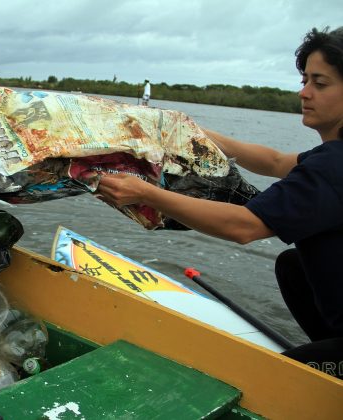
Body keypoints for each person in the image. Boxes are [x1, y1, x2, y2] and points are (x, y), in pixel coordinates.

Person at [97, 27, 343, 378]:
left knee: (270, 383)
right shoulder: (329, 158)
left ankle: (328, 372)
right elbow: (274, 162)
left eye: (320, 83)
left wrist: (146, 193)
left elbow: (244, 226)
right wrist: (199, 134)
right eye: (304, 80)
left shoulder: (333, 168)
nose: (304, 92)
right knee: (293, 265)